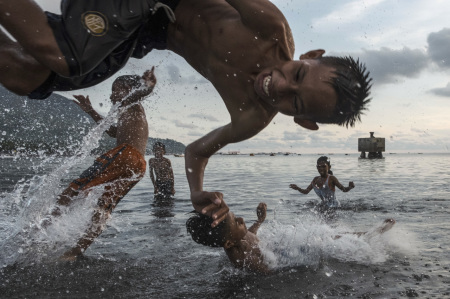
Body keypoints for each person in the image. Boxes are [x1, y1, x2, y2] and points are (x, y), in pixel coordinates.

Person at [0, 0, 372, 226]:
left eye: (295, 102)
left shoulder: (251, 117)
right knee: (65, 57)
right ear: (310, 57)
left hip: (144, 32)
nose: (279, 86)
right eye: (298, 75)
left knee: (27, 77)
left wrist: (196, 192)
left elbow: (196, 151)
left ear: (303, 122)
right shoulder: (270, 27)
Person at [52, 68, 156, 260]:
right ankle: (76, 251)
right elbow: (112, 132)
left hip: (125, 155)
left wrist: (148, 86)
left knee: (74, 188)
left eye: (115, 89)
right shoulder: (129, 110)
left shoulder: (131, 102)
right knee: (104, 207)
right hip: (138, 165)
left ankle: (43, 225)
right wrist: (91, 111)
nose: (111, 94)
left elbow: (140, 92)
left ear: (127, 89)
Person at [186, 202, 270, 274]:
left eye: (235, 217)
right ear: (229, 243)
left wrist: (259, 220)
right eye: (237, 222)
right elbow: (269, 272)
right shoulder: (243, 259)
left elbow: (250, 235)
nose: (241, 219)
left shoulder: (233, 238)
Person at [289, 156, 355, 214]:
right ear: (316, 167)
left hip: (334, 207)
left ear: (329, 167)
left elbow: (344, 189)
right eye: (319, 166)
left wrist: (350, 187)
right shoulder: (315, 179)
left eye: (324, 166)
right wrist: (298, 188)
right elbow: (306, 191)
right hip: (324, 205)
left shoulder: (331, 178)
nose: (321, 168)